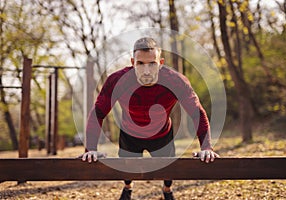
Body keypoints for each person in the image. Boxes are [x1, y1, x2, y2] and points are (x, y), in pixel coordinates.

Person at [80, 37, 220, 200]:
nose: (146, 70)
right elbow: (98, 112)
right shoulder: (117, 80)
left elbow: (197, 112)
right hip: (130, 134)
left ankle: (167, 190)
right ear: (133, 62)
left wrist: (206, 147)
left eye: (152, 63)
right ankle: (128, 187)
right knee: (127, 172)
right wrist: (90, 149)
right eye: (140, 63)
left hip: (162, 135)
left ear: (160, 63)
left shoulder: (175, 80)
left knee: (168, 174)